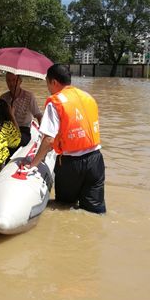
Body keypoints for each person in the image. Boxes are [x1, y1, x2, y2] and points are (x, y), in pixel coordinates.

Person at [26, 65, 105, 214]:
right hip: (96, 160)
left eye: (47, 83)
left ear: (54, 82)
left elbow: (49, 139)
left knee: (63, 208)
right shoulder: (87, 96)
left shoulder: (56, 102)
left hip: (71, 164)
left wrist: (33, 164)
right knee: (94, 211)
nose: (48, 88)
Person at [0, 72, 43, 146]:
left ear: (20, 81)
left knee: (18, 141)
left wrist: (43, 135)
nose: (11, 83)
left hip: (23, 130)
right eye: (8, 80)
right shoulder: (3, 97)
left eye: (14, 80)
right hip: (8, 129)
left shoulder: (29, 96)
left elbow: (38, 115)